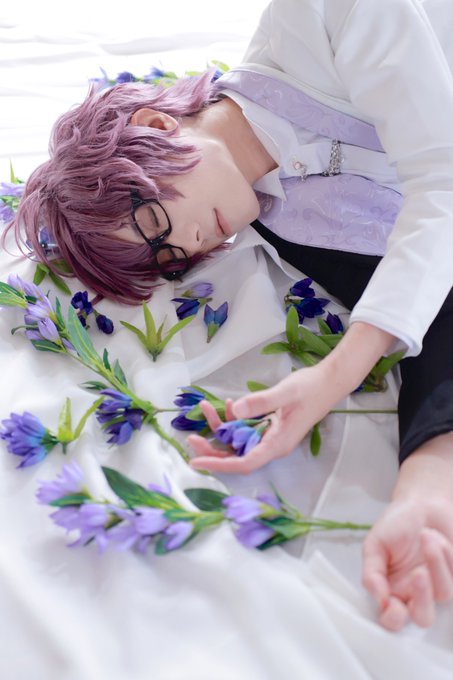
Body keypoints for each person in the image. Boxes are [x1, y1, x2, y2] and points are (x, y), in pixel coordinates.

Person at [8, 0, 453, 632]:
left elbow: (444, 180)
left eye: (156, 222)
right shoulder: (288, 227)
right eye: (168, 257)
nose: (190, 243)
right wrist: (426, 485)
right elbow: (430, 309)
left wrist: (332, 377)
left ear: (158, 126)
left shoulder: (322, 18)